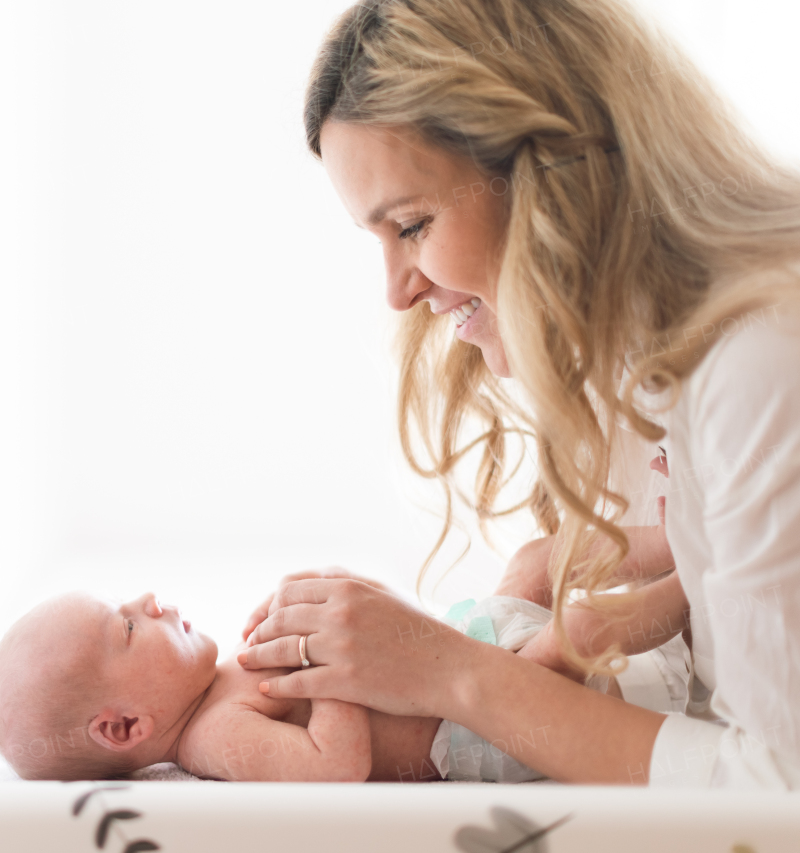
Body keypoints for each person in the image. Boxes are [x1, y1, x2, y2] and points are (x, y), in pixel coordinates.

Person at [240, 0, 800, 787]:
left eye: (411, 224)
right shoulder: (631, 365)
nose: (397, 293)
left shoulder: (759, 358)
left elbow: (778, 793)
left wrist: (455, 675)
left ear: (549, 170)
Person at [0, 585, 689, 782]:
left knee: (537, 561)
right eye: (126, 628)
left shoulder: (216, 684)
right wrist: (332, 672)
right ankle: (695, 574)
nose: (150, 599)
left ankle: (665, 529)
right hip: (478, 726)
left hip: (455, 655)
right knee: (582, 628)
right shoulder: (213, 736)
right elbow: (337, 764)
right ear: (126, 726)